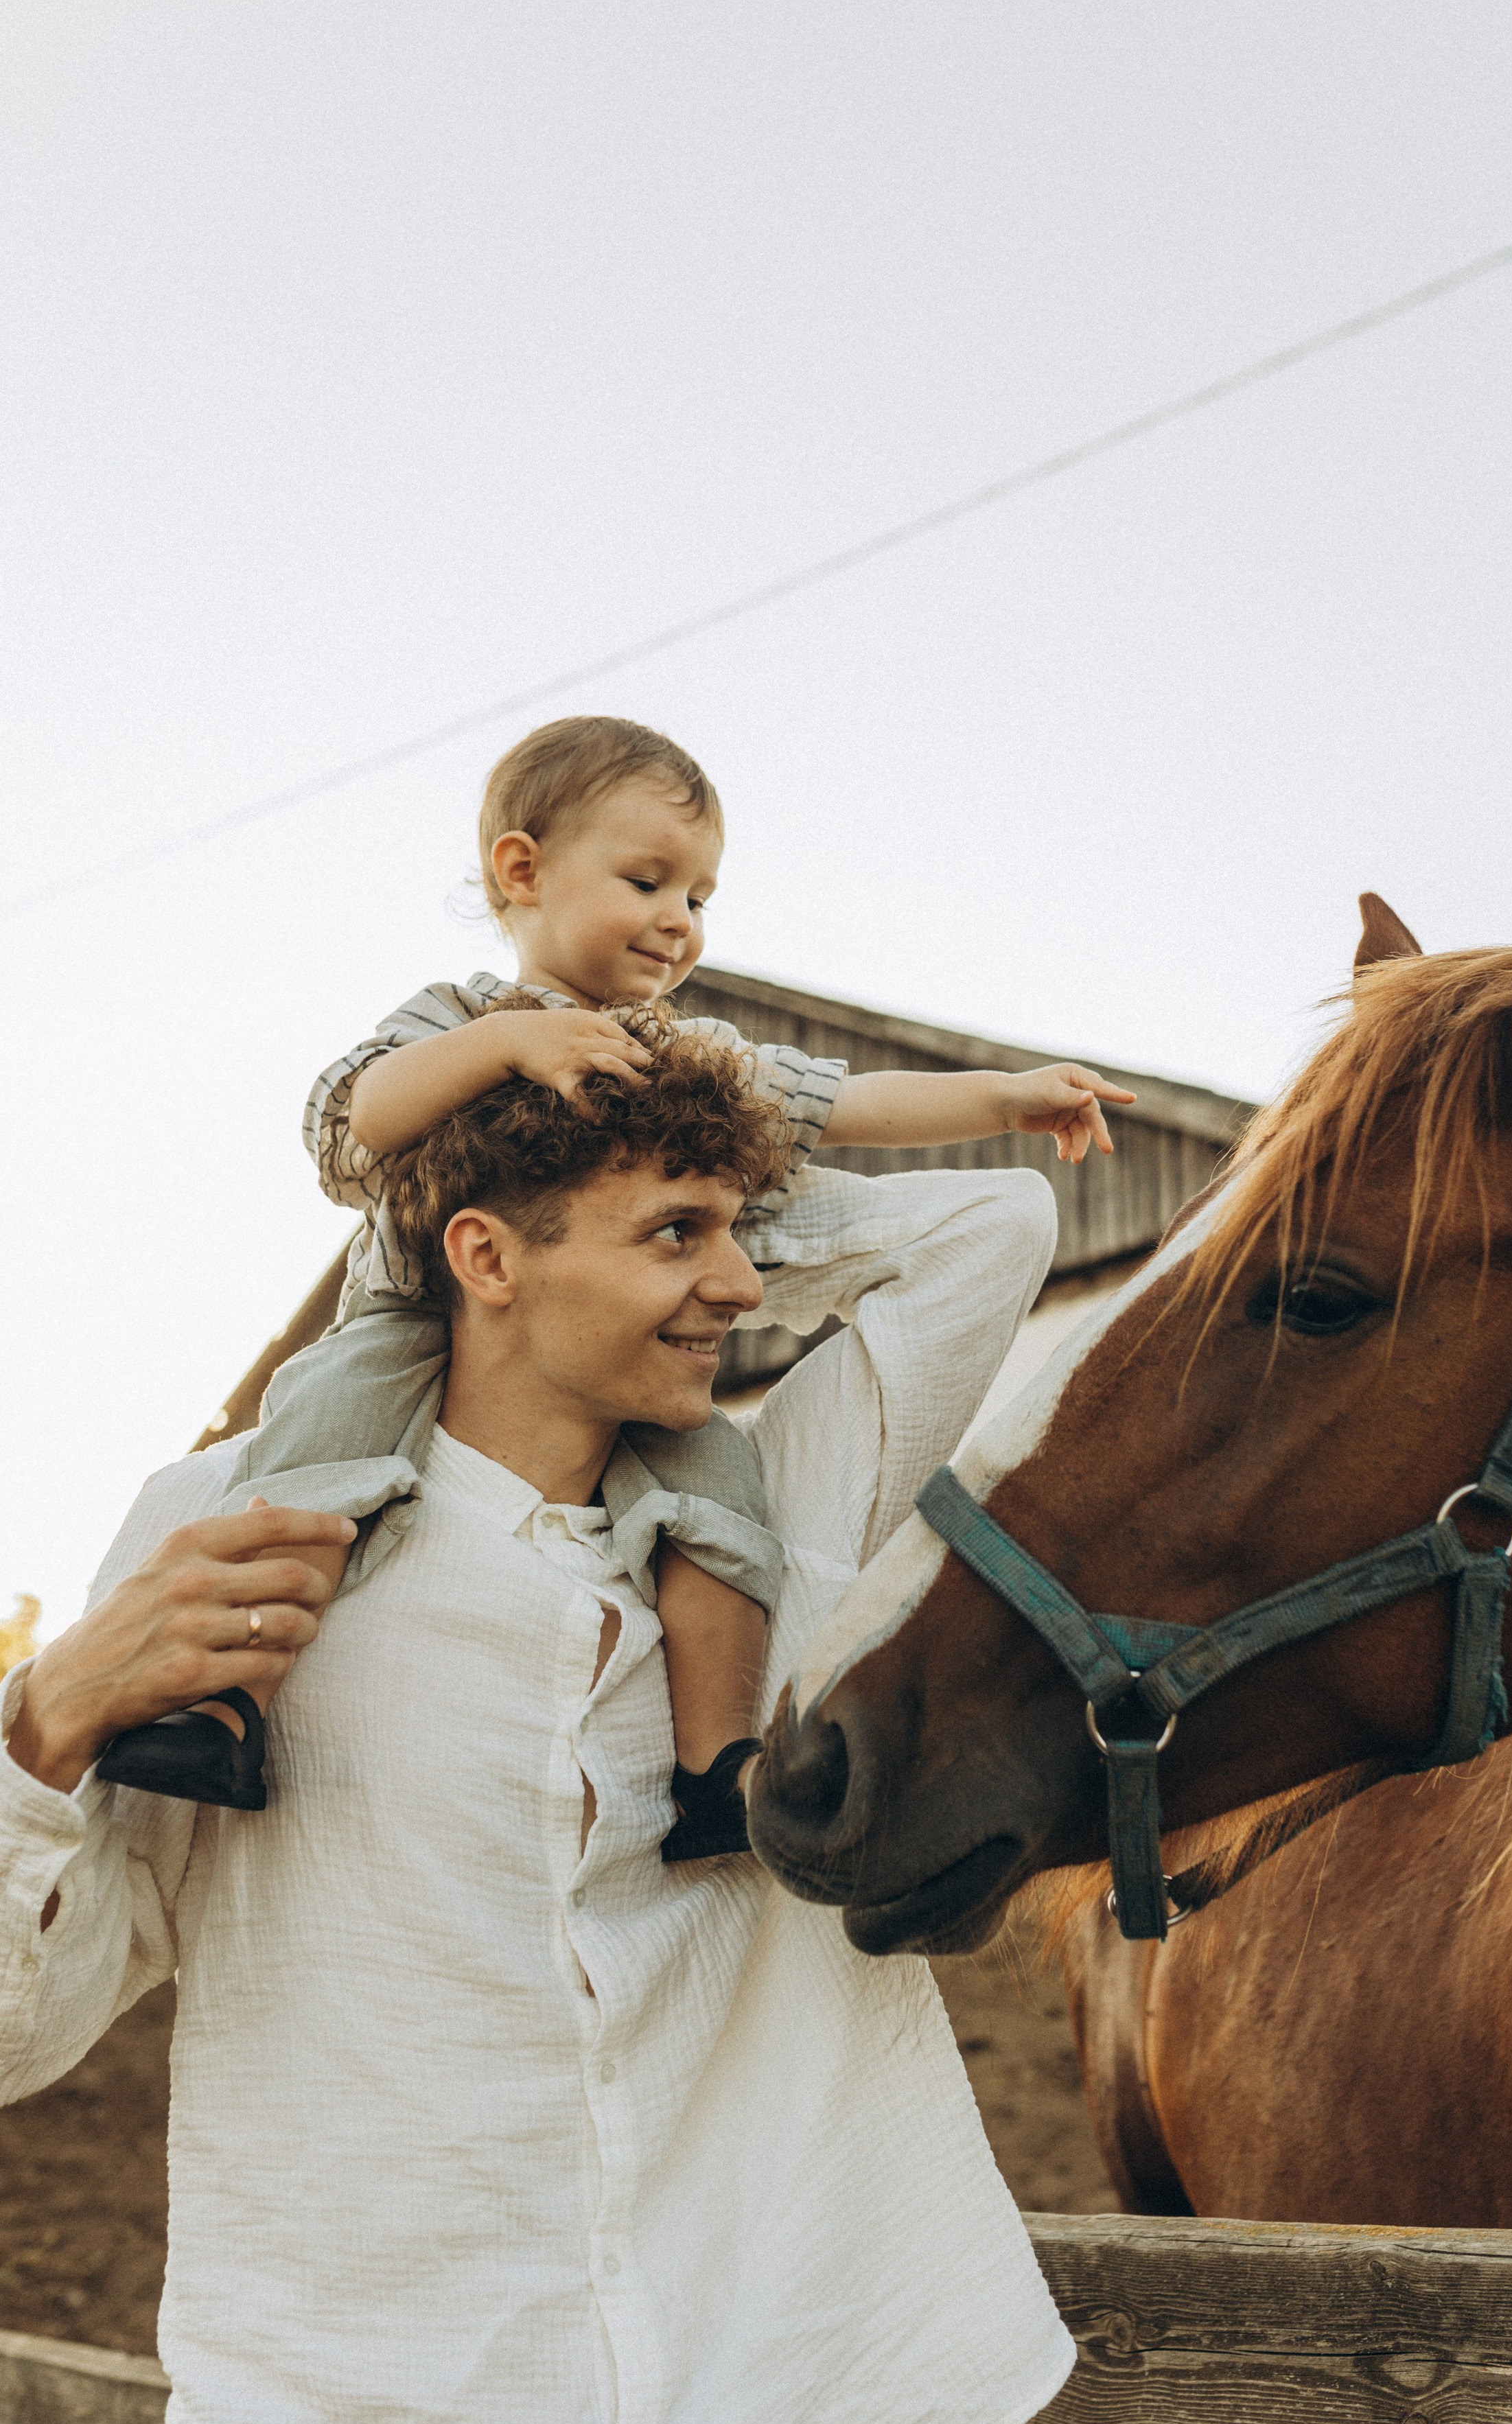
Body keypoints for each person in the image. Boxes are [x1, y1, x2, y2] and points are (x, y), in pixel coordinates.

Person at [1, 1017, 1074, 2424]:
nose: (745, 1285)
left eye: (739, 1229)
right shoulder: (227, 1536)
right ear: (485, 1261)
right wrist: (45, 1718)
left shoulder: (789, 1515)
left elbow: (995, 1219)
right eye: (678, 1235)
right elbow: (17, 2033)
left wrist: (691, 1150)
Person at [97, 714, 1132, 1851]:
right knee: (315, 1466)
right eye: (648, 880)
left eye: (700, 897)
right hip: (405, 1328)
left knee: (723, 1506)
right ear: (523, 872)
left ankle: (712, 1767)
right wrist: (509, 1051)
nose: (678, 920)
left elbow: (844, 1100)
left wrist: (1004, 1098)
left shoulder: (686, 1057)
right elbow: (353, 1124)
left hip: (615, 1366)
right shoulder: (456, 1022)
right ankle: (226, 1706)